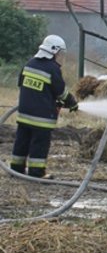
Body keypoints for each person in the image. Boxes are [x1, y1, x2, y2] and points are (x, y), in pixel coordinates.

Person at [10, 35, 79, 178]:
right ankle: (36, 172)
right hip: (41, 118)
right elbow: (61, 92)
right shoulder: (52, 68)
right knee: (39, 145)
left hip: (24, 115)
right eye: (60, 53)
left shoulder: (29, 63)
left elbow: (21, 84)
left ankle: (16, 169)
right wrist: (71, 102)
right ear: (54, 51)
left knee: (21, 142)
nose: (61, 57)